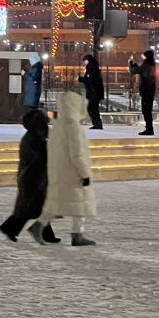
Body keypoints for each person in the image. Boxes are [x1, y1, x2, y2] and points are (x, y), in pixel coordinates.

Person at [35, 92, 97, 246]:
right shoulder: (74, 127)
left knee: (57, 201)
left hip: (59, 170)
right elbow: (77, 153)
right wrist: (84, 173)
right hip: (73, 171)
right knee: (80, 203)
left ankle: (39, 225)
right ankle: (77, 234)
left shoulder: (58, 124)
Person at [0, 108, 50, 242]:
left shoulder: (33, 137)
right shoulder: (33, 140)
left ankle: (47, 234)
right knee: (29, 208)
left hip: (34, 177)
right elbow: (40, 158)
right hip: (32, 178)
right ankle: (9, 228)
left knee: (40, 207)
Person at [130, 50, 157, 136]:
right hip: (150, 91)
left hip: (146, 91)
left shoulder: (146, 66)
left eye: (144, 56)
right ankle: (149, 128)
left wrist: (131, 63)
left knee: (146, 111)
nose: (143, 57)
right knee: (147, 110)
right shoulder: (152, 65)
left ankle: (149, 129)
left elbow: (134, 71)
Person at [78, 55, 105, 130]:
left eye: (85, 61)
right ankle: (97, 123)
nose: (84, 63)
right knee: (92, 108)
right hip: (94, 92)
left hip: (94, 93)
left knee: (92, 108)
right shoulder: (93, 67)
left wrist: (81, 79)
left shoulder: (91, 68)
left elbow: (90, 80)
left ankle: (97, 124)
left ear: (88, 60)